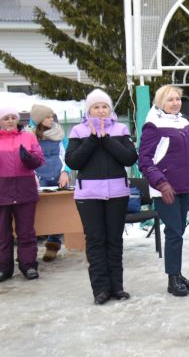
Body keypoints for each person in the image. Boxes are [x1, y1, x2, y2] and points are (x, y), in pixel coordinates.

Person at [65, 89, 138, 304]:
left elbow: (129, 158)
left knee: (114, 241)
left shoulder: (121, 128)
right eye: (96, 107)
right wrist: (92, 139)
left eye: (104, 106)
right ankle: (100, 289)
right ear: (89, 110)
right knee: (95, 241)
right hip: (88, 195)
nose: (100, 110)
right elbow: (74, 162)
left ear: (110, 109)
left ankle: (117, 287)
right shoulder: (78, 131)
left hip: (117, 193)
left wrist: (106, 139)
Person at [139, 85, 189, 296]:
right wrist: (160, 182)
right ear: (160, 102)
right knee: (174, 233)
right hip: (165, 189)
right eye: (170, 100)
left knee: (179, 233)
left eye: (178, 99)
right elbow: (144, 160)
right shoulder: (153, 124)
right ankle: (172, 279)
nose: (176, 103)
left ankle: (177, 274)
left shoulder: (184, 122)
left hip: (184, 186)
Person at [0, 107, 44, 282]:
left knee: (26, 231)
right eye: (6, 118)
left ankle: (29, 265)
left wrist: (29, 159)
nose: (10, 121)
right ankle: (4, 267)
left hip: (25, 187)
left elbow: (39, 160)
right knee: (2, 232)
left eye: (13, 117)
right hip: (1, 188)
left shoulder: (28, 137)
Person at [30, 104, 70, 261]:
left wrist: (65, 171)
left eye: (52, 116)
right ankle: (30, 249)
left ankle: (53, 244)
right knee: (38, 212)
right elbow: (27, 157)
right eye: (47, 117)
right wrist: (32, 176)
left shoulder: (59, 133)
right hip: (39, 178)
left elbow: (67, 153)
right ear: (39, 120)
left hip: (59, 176)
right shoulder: (30, 136)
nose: (51, 119)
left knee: (59, 211)